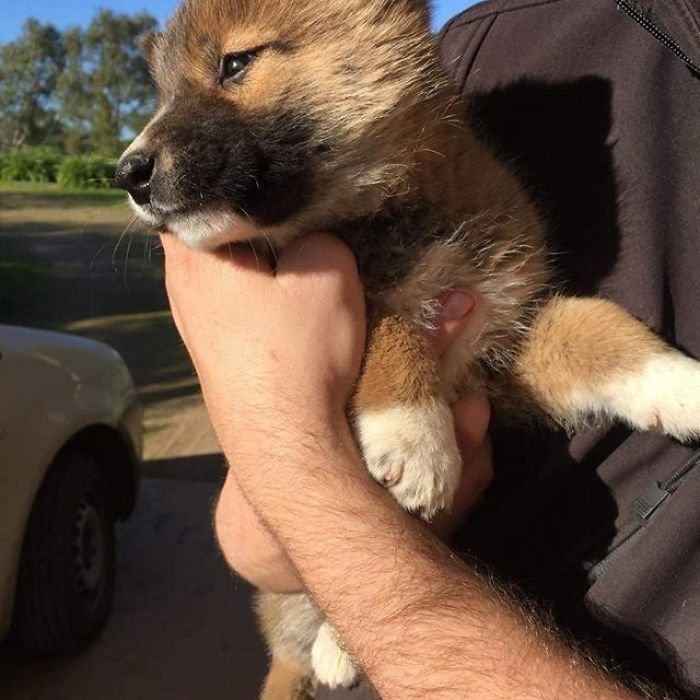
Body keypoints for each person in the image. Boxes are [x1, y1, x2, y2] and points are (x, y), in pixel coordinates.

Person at [161, 0, 700, 697]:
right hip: (345, 607)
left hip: (467, 633)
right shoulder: (514, 41)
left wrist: (642, 373)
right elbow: (253, 535)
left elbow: (522, 346)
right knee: (295, 650)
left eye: (234, 67)